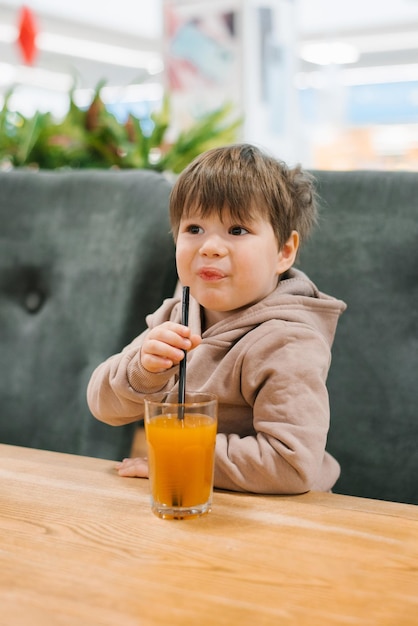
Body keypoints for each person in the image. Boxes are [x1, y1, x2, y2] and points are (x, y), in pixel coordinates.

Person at [87, 143, 346, 494]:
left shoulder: (287, 341)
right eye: (194, 228)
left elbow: (290, 464)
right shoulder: (177, 314)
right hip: (192, 497)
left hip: (280, 520)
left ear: (284, 251)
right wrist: (144, 371)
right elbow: (103, 406)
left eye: (237, 230)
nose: (209, 247)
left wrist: (180, 456)